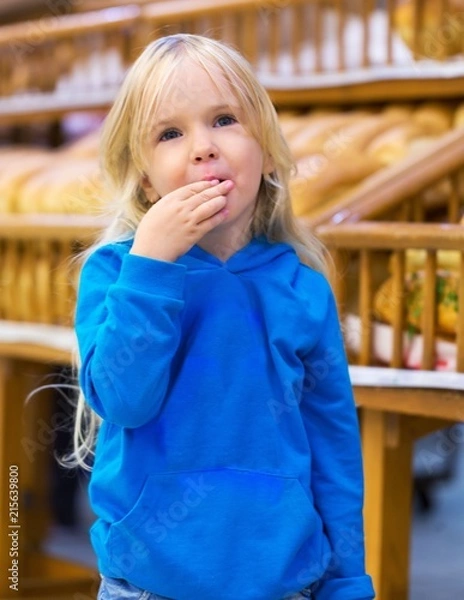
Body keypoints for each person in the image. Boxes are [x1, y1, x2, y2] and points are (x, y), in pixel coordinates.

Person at [72, 33, 375, 600]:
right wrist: (153, 265)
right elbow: (122, 400)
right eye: (170, 133)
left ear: (263, 146)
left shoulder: (302, 289)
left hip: (284, 585)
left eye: (224, 120)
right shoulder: (116, 274)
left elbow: (335, 452)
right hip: (146, 586)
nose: (203, 148)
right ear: (143, 176)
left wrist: (349, 581)